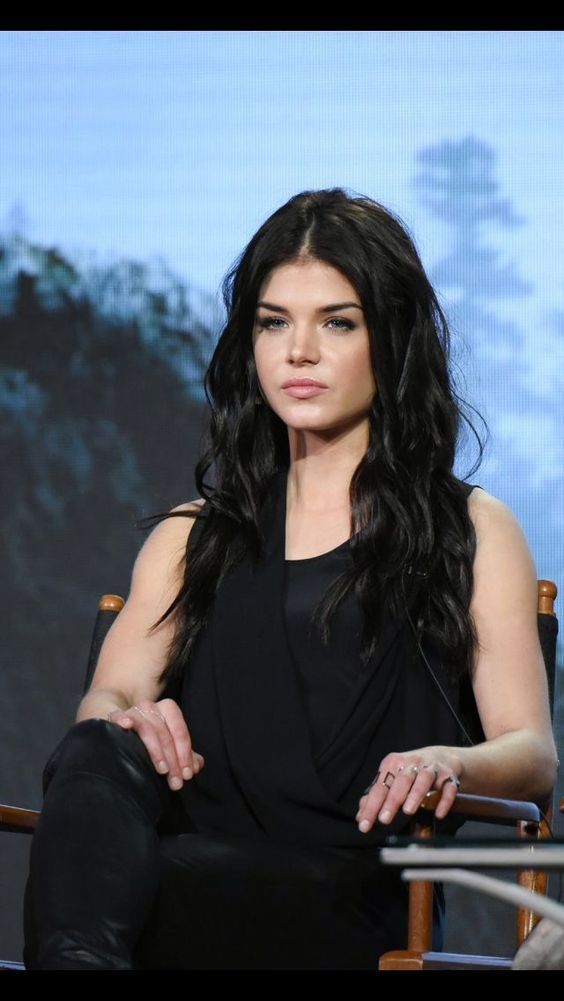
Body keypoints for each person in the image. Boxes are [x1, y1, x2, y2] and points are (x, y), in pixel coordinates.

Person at [22, 188, 557, 970]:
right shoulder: (192, 533)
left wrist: (449, 761)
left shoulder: (472, 529)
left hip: (354, 894)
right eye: (274, 322)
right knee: (99, 748)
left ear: (392, 338)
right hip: (185, 870)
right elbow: (105, 709)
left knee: (144, 881)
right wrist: (126, 717)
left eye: (336, 322)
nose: (297, 352)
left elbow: (533, 756)